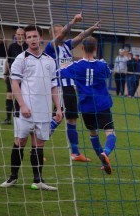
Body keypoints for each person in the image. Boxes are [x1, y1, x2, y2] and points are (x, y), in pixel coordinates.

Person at [0, 24, 62, 191]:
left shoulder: (50, 60)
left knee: (39, 144)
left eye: (35, 36)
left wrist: (58, 108)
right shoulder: (21, 59)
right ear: (25, 40)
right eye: (29, 37)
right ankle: (13, 177)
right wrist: (22, 105)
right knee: (20, 141)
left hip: (44, 110)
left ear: (41, 38)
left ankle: (38, 180)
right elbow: (14, 83)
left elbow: (53, 86)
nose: (32, 39)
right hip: (25, 109)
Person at [45, 12, 100, 162]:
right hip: (59, 85)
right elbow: (64, 33)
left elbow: (81, 36)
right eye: (60, 29)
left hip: (70, 86)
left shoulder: (66, 45)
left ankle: (75, 153)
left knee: (72, 119)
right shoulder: (52, 46)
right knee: (58, 116)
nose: (63, 30)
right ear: (55, 34)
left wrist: (92, 28)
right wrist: (74, 20)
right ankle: (38, 146)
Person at [60, 36, 116, 175]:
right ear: (96, 48)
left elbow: (59, 73)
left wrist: (62, 65)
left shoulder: (76, 66)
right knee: (110, 132)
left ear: (82, 48)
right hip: (102, 104)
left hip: (86, 107)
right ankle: (106, 153)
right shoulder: (102, 65)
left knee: (93, 133)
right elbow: (109, 73)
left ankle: (102, 158)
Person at [3, 28, 28, 125]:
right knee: (9, 95)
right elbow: (8, 60)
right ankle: (8, 118)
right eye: (18, 34)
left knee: (20, 96)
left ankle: (18, 116)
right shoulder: (12, 46)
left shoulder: (27, 47)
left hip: (24, 76)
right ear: (16, 35)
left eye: (22, 34)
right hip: (12, 75)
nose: (20, 36)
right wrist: (5, 74)